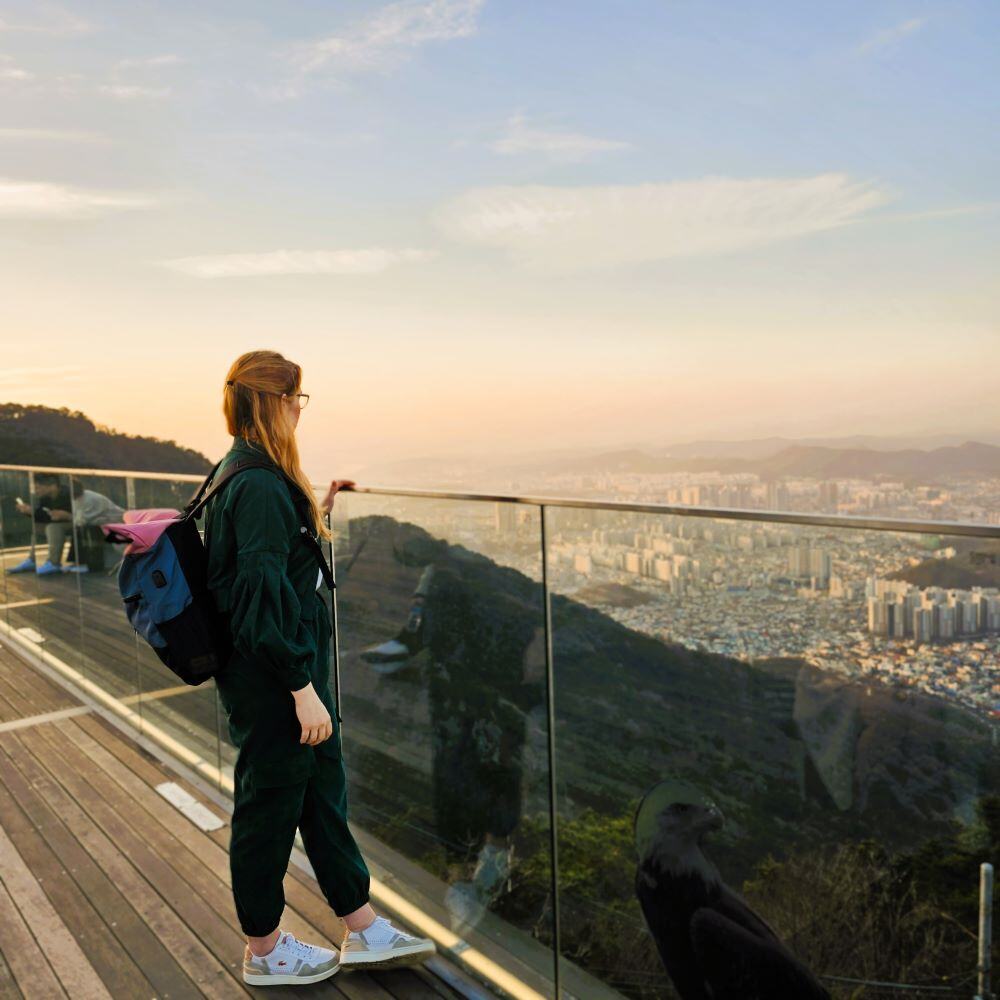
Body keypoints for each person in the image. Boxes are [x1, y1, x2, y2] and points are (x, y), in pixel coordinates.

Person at [202, 349, 435, 988]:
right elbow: (256, 601)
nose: (299, 411)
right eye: (296, 400)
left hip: (290, 675)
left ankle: (360, 926)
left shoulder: (247, 472)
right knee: (269, 805)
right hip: (278, 681)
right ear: (274, 402)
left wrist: (319, 509)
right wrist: (302, 690)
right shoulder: (256, 486)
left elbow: (272, 563)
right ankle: (264, 948)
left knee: (320, 796)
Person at [9, 473, 75, 575]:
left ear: (52, 486)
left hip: (78, 522)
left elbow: (80, 514)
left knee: (53, 527)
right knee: (39, 526)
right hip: (62, 524)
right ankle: (31, 560)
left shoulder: (69, 494)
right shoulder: (46, 498)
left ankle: (54, 563)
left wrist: (66, 516)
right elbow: (45, 516)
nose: (36, 491)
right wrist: (30, 512)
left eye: (38, 487)